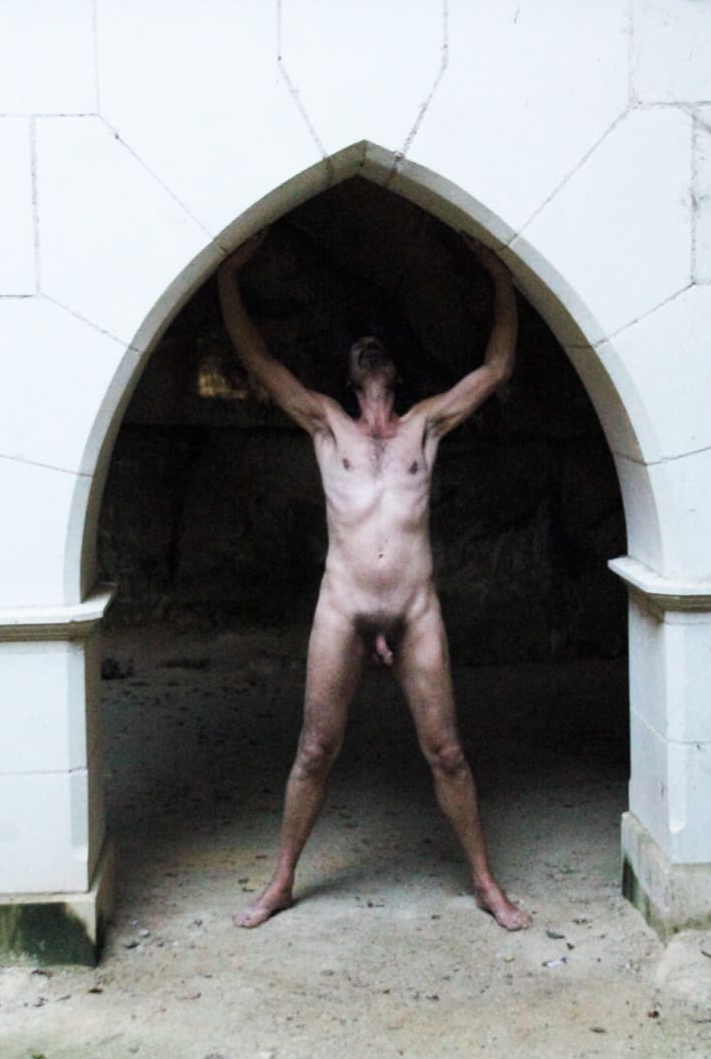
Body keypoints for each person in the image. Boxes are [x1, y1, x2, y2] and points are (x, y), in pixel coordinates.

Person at [218, 230, 532, 931]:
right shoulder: (327, 424)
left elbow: (497, 366)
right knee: (313, 750)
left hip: (416, 611)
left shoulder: (426, 426)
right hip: (344, 607)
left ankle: (486, 883)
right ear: (347, 374)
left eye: (378, 346)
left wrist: (500, 276)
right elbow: (258, 362)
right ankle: (280, 882)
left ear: (393, 368)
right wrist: (228, 280)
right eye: (358, 348)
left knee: (447, 753)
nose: (369, 350)